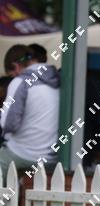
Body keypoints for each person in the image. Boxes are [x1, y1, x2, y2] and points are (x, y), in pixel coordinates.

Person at [0, 44, 60, 180]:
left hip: (23, 153)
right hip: (51, 157)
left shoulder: (20, 82)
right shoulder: (57, 80)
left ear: (15, 66)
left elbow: (9, 124)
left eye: (11, 75)